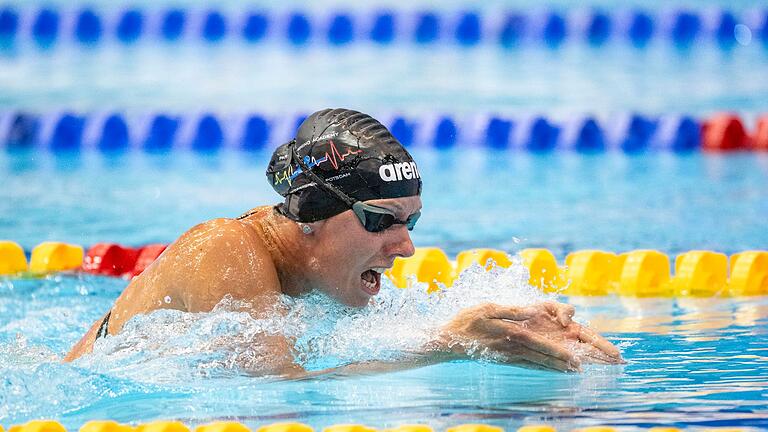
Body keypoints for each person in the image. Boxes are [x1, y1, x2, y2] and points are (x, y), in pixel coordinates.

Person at [65, 108, 623, 374]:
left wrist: (495, 328)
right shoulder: (224, 250)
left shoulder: (316, 277)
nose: (405, 248)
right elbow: (275, 402)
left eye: (412, 223)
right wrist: (446, 345)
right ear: (310, 212)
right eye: (381, 220)